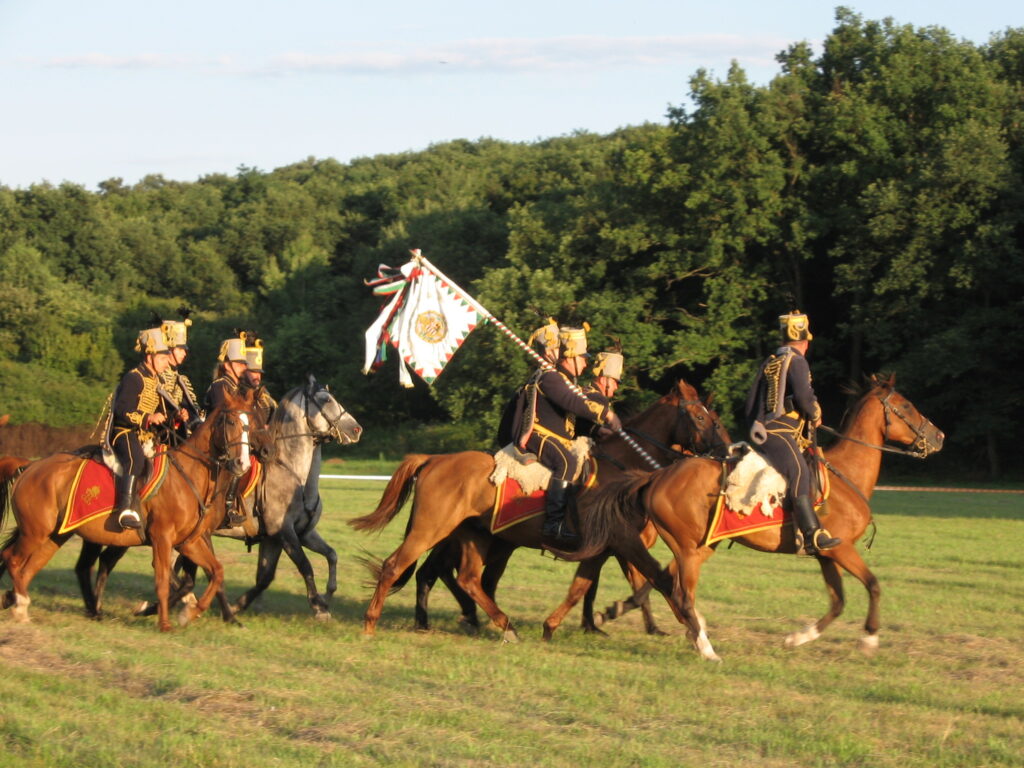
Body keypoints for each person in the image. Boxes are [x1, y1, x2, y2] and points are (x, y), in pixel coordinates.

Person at [511, 324, 622, 548]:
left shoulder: (566, 381)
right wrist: (606, 413)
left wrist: (598, 430)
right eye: (582, 357)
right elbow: (572, 403)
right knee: (567, 461)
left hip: (558, 437)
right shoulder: (551, 378)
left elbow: (575, 421)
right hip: (539, 434)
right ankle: (554, 524)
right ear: (569, 357)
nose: (586, 363)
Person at [744, 310, 840, 555]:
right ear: (805, 342)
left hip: (766, 429)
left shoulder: (770, 360)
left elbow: (753, 401)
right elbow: (804, 397)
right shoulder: (797, 361)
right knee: (800, 473)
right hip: (779, 431)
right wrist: (816, 413)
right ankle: (812, 535)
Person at [110, 326, 173, 530]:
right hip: (124, 431)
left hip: (144, 435)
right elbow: (122, 410)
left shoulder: (154, 381)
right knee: (135, 458)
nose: (166, 363)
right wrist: (148, 418)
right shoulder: (133, 377)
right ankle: (125, 509)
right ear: (149, 357)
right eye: (163, 358)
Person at [206, 332, 249, 524]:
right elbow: (221, 417)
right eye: (240, 363)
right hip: (217, 437)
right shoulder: (220, 385)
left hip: (234, 434)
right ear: (227, 365)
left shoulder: (238, 387)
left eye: (244, 363)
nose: (244, 367)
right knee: (236, 463)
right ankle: (227, 506)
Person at [158, 314, 203, 441]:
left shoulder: (181, 380)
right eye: (180, 349)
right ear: (169, 349)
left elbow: (191, 407)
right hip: (160, 434)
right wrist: (176, 416)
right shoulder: (157, 377)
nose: (184, 353)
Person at [240, 337, 277, 425]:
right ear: (243, 372)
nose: (257, 376)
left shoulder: (266, 396)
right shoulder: (234, 393)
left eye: (259, 373)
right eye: (253, 372)